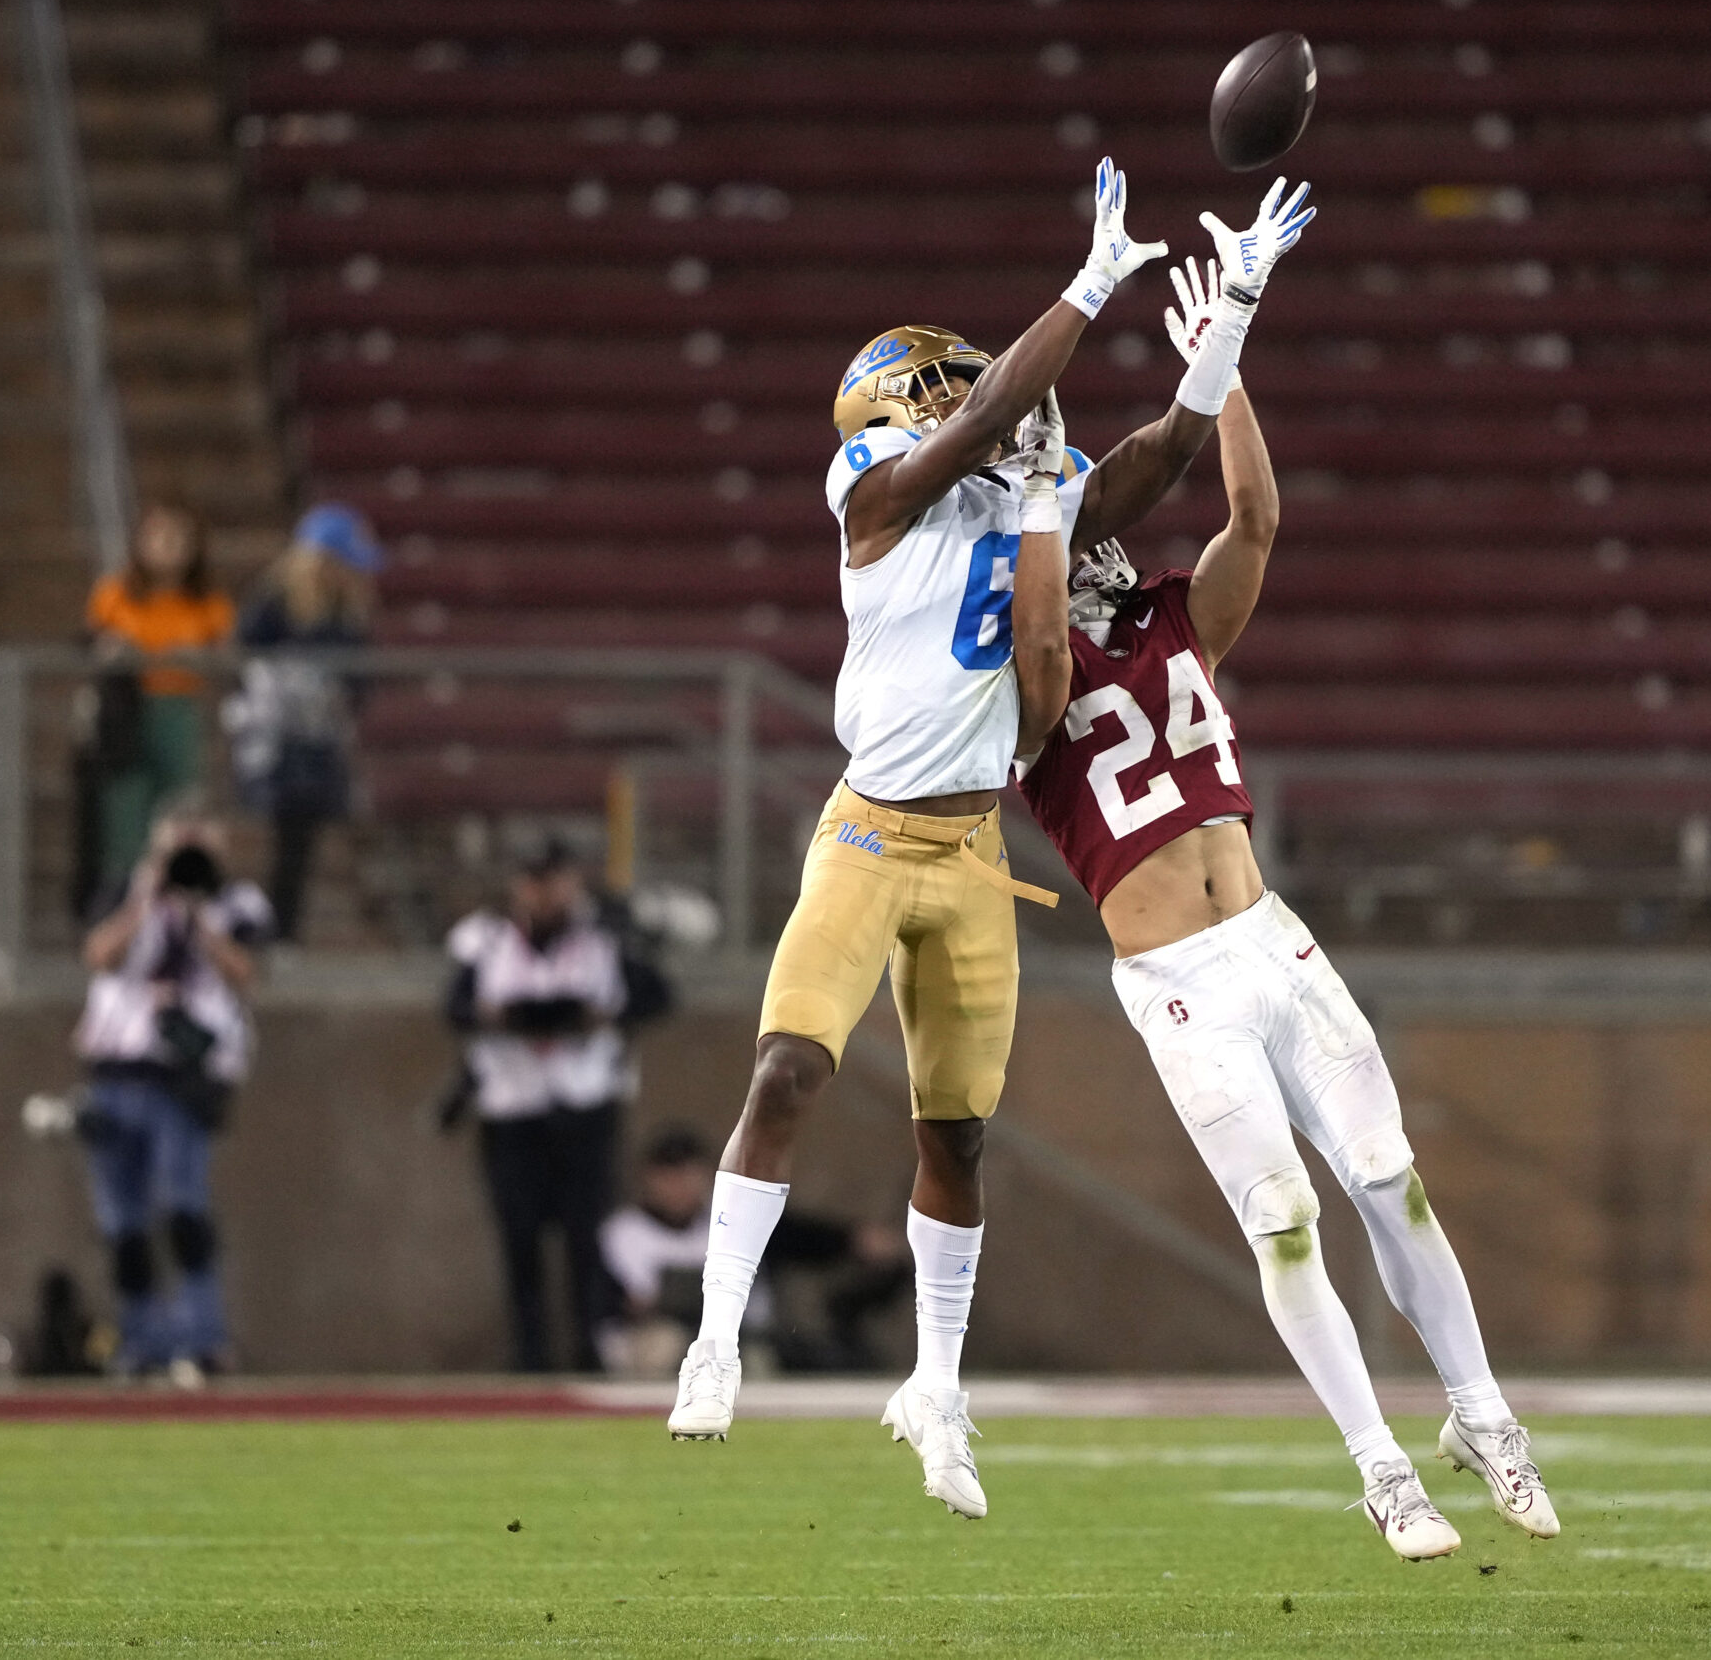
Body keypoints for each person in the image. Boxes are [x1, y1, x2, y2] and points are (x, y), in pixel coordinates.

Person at [667, 159, 1311, 1527]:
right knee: (787, 1066)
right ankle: (715, 1334)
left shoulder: (1028, 494)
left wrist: (1217, 355)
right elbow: (989, 427)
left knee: (957, 1139)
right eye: (944, 387)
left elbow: (1159, 464)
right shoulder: (877, 492)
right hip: (865, 831)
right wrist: (1087, 285)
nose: (968, 400)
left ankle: (936, 1387)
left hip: (969, 853)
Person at [1015, 258, 1558, 1562]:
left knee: (1393, 1182)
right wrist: (1033, 505)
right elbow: (1038, 656)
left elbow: (1252, 522)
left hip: (1273, 933)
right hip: (1180, 979)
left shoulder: (1168, 620)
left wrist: (1230, 353)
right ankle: (1382, 1468)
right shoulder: (1020, 681)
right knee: (1284, 1214)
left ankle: (1483, 1415)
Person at [446, 839, 672, 1372]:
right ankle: (530, 1356)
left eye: (555, 878)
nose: (545, 892)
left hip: (584, 1106)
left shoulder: (604, 940)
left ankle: (590, 1350)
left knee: (586, 1236)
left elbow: (657, 997)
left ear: (573, 882)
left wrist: (599, 1015)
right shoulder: (487, 941)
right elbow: (455, 1008)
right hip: (513, 1109)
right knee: (519, 1237)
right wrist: (498, 1017)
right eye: (534, 878)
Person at [74, 813, 272, 1382]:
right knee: (124, 1225)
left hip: (182, 1079)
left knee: (185, 1212)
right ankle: (142, 1341)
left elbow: (245, 972)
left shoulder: (236, 904)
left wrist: (199, 915)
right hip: (116, 1072)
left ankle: (202, 1338)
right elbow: (101, 956)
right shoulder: (125, 892)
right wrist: (148, 899)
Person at [597, 1126, 911, 1377]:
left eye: (688, 1175)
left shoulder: (730, 1220)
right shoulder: (622, 1233)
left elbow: (798, 1237)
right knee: (664, 1346)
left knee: (763, 1358)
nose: (679, 1187)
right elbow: (600, 1304)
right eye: (669, 1176)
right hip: (659, 1342)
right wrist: (633, 1307)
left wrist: (855, 1239)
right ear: (648, 1179)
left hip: (741, 1340)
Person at [229, 502, 383, 940]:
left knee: (300, 840)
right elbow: (244, 665)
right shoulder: (273, 604)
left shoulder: (348, 614)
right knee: (266, 834)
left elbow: (359, 683)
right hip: (271, 741)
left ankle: (283, 932)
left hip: (318, 742)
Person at [84, 505, 235, 902]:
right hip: (128, 713)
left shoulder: (207, 602)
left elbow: (226, 654)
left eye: (178, 540)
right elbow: (91, 645)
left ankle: (178, 897)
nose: (168, 548)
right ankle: (121, 898)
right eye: (160, 538)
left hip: (179, 708)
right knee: (125, 807)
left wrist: (198, 658)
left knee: (179, 807)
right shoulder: (115, 593)